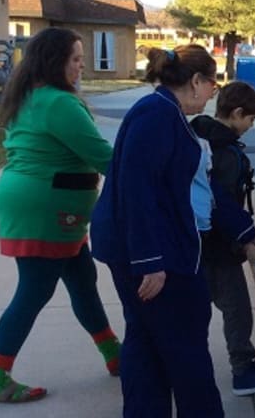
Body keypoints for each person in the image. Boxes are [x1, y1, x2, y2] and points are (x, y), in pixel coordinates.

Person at [0, 27, 120, 403]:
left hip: (37, 199)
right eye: (75, 59)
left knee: (82, 278)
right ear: (54, 61)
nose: (81, 67)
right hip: (47, 206)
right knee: (35, 289)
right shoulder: (59, 103)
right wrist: (153, 177)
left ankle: (114, 354)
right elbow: (102, 155)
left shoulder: (28, 96)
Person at [90, 45, 224, 417]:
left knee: (147, 342)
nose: (214, 92)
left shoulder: (163, 111)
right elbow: (137, 187)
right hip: (154, 253)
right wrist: (149, 260)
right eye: (213, 83)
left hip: (149, 246)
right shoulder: (158, 115)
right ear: (195, 81)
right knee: (186, 346)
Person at [190, 81, 255, 396]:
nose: (251, 126)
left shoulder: (201, 137)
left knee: (198, 308)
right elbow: (222, 203)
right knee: (238, 310)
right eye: (251, 120)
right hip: (220, 248)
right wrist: (247, 238)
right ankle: (243, 371)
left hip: (201, 244)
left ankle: (185, 362)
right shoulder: (225, 153)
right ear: (236, 113)